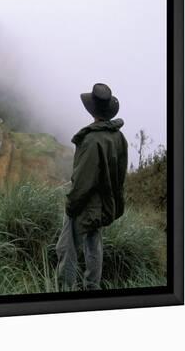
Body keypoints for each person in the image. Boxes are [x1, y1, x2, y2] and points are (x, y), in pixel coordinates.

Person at [56, 83, 128, 291]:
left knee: (67, 249)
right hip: (104, 205)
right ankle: (92, 288)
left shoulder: (92, 140)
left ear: (93, 110)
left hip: (85, 205)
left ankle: (65, 291)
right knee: (94, 246)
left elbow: (82, 182)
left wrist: (71, 206)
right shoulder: (118, 137)